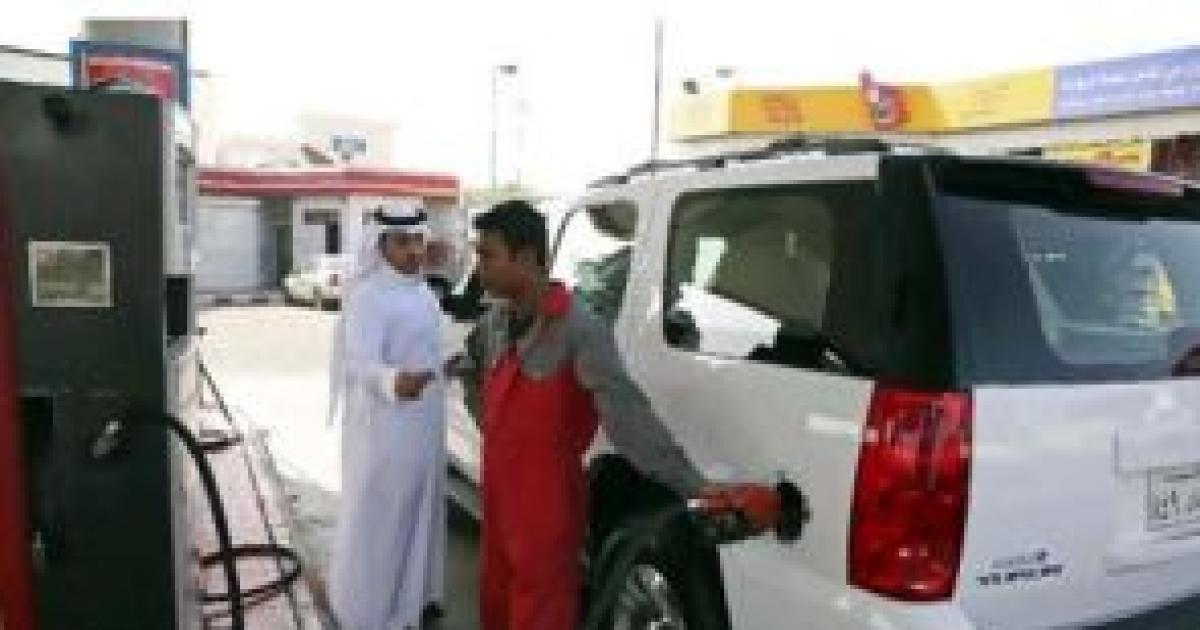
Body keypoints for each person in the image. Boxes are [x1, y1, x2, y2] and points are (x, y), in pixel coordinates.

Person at [453, 200, 714, 630]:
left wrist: (695, 487)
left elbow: (629, 418)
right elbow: (469, 369)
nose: (478, 267)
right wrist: (485, 417)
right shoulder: (496, 322)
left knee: (542, 612)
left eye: (487, 255)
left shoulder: (580, 330)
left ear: (526, 258)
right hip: (499, 495)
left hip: (546, 504)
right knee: (496, 603)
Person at [328, 203, 446, 630]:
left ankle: (414, 600)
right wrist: (393, 380)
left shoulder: (422, 291)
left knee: (419, 511)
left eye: (417, 240)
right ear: (380, 245)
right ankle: (370, 611)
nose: (413, 251)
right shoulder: (369, 296)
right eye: (401, 242)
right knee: (384, 520)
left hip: (424, 425)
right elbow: (358, 362)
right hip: (386, 429)